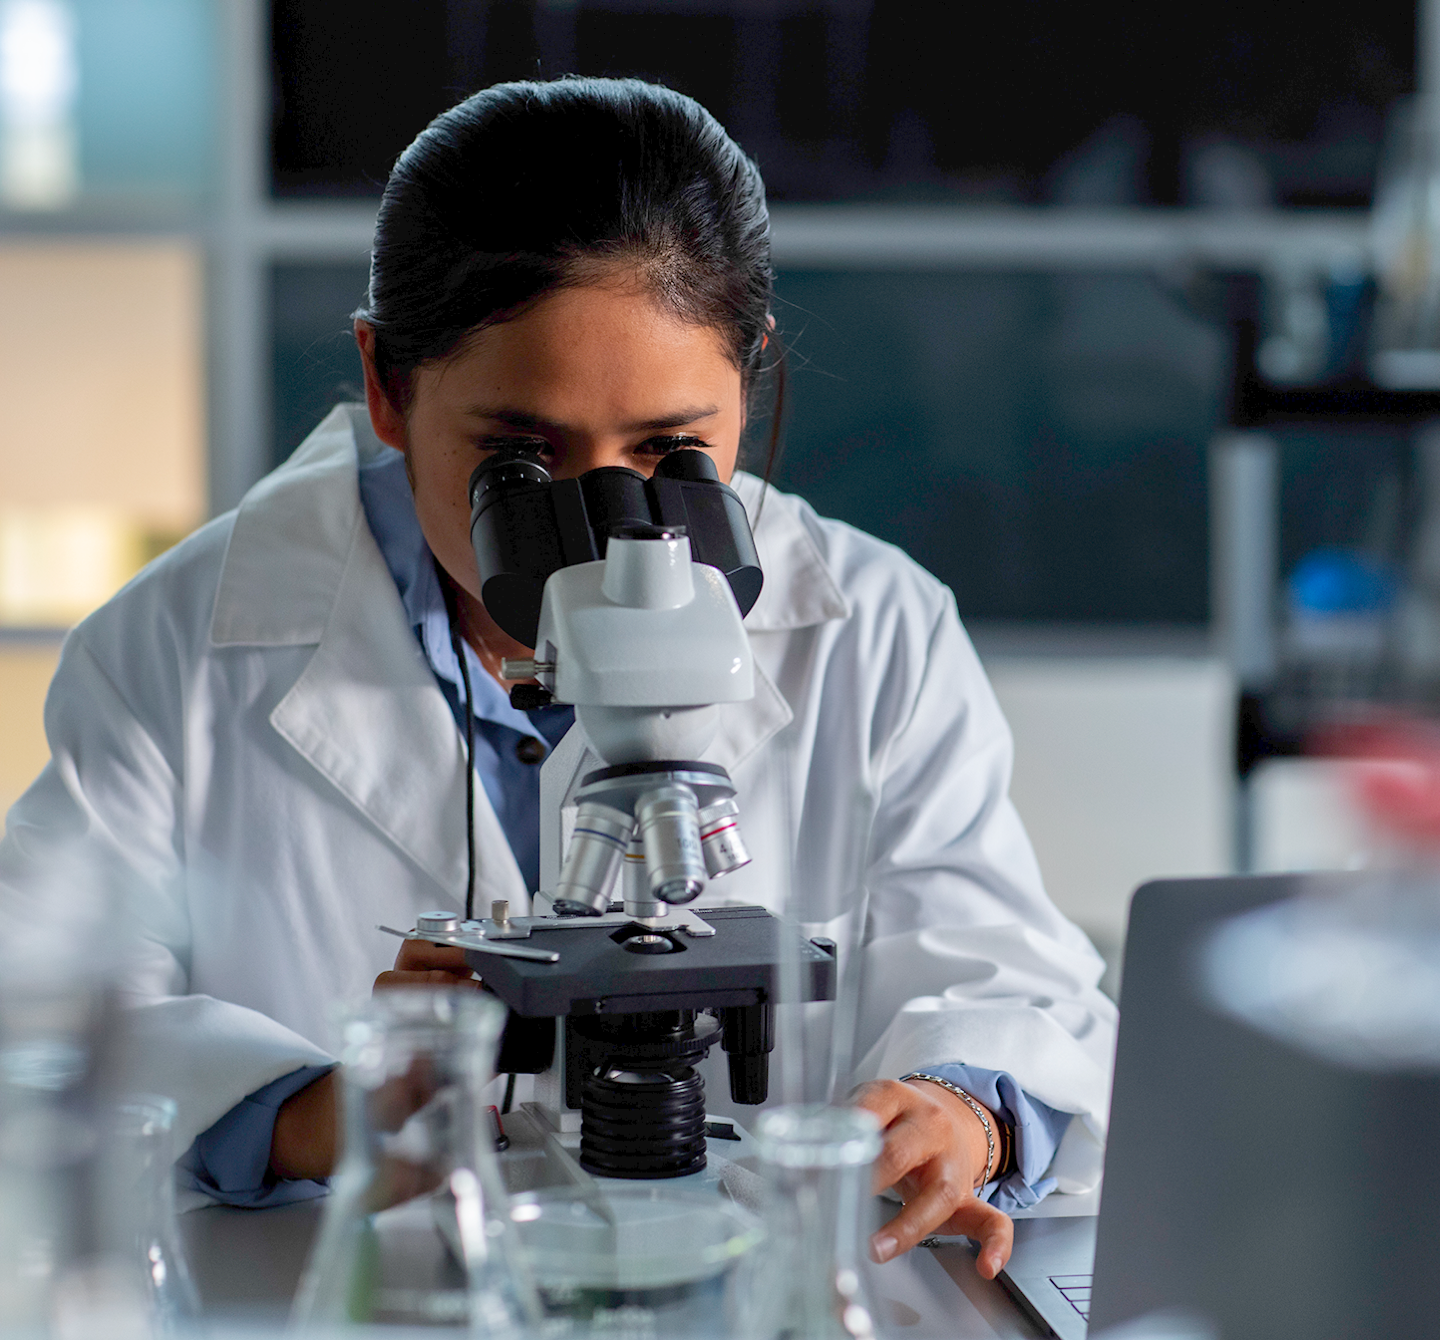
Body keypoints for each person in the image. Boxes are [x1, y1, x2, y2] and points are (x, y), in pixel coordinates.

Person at [0, 78, 1115, 1278]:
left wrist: (966, 1111)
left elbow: (1008, 976)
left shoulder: (876, 625)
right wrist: (318, 1108)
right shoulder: (179, 643)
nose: (604, 525)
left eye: (670, 452)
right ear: (386, 385)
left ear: (752, 374)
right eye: (519, 461)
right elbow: (43, 1024)